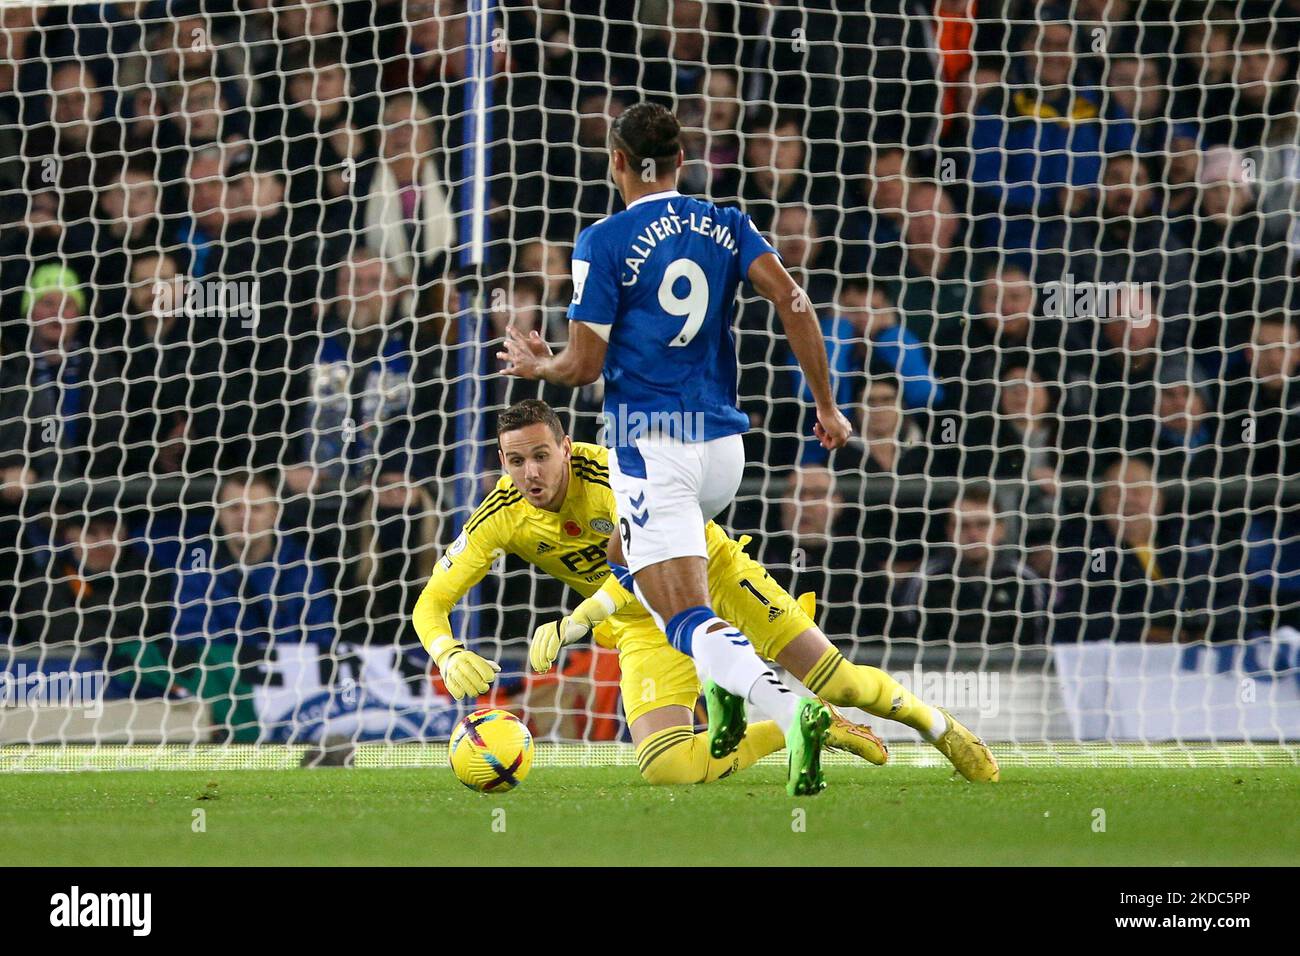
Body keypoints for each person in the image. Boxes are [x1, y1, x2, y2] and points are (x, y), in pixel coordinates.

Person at [498, 103, 994, 794]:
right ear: (683, 160)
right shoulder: (725, 221)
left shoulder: (603, 240)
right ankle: (905, 721)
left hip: (652, 444)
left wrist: (541, 366)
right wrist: (827, 404)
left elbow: (582, 367)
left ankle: (794, 714)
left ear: (617, 162)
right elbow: (792, 299)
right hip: (725, 450)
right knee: (629, 557)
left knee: (684, 617)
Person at [413, 400, 997, 783]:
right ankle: (808, 724)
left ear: (567, 449)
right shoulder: (500, 514)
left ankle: (938, 727)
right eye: (517, 461)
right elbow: (431, 604)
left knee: (841, 678)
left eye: (542, 455)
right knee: (668, 767)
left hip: (708, 571)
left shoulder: (616, 476)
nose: (531, 473)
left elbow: (642, 565)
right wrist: (448, 651)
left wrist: (578, 620)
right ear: (502, 462)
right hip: (643, 624)